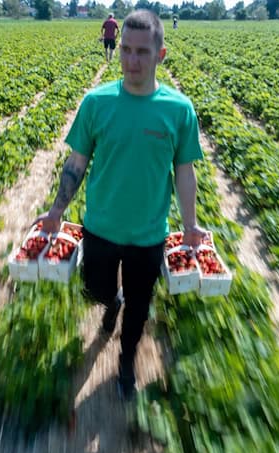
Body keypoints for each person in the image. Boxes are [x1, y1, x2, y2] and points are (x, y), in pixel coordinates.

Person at [34, 10, 206, 401]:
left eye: (142, 52)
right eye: (125, 49)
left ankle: (126, 361)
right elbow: (76, 163)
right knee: (95, 288)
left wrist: (191, 224)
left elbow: (184, 172)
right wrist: (57, 211)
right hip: (100, 227)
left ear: (160, 54)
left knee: (140, 308)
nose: (131, 60)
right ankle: (111, 301)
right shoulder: (97, 102)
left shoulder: (179, 110)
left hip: (148, 234)